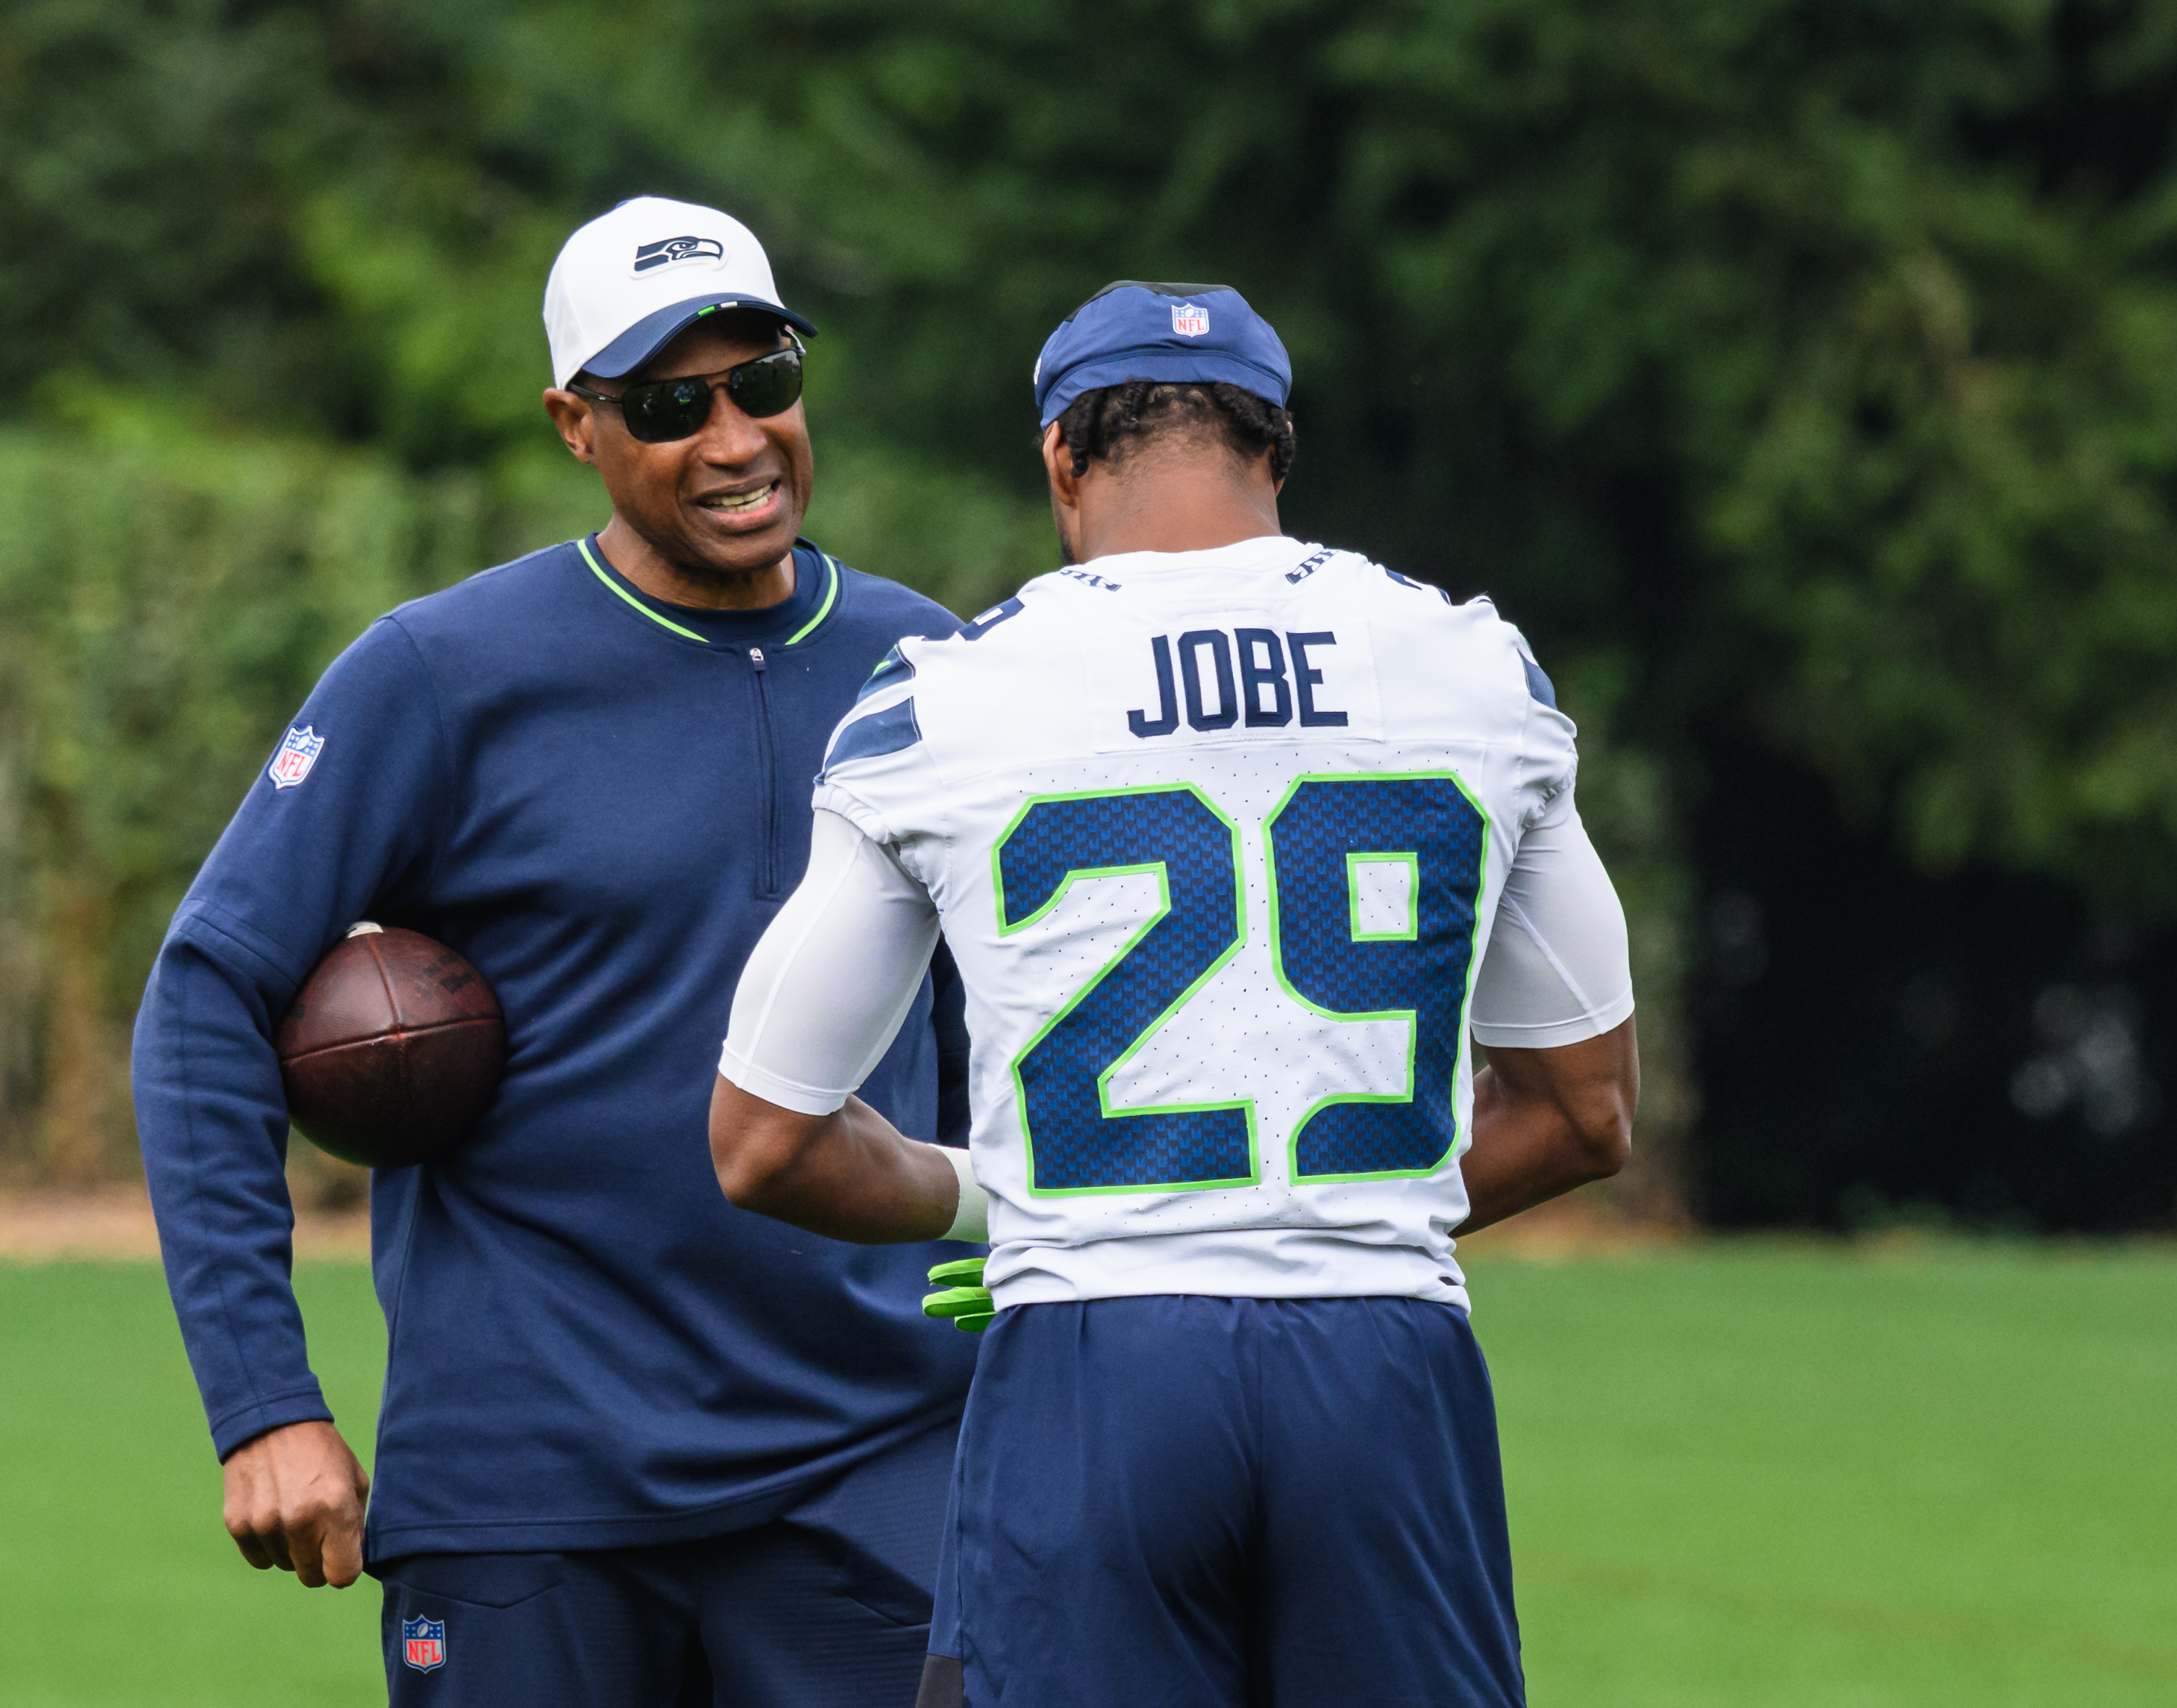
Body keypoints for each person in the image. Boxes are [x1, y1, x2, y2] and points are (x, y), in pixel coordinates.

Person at [706, 280, 1641, 1708]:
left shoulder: (946, 699)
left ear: (1062, 458)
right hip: (1385, 1363)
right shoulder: (1471, 666)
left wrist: (995, 1204)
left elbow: (762, 1137)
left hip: (1095, 1355)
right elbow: (1587, 1110)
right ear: (1278, 448)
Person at [132, 197, 984, 1707]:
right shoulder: (440, 676)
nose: (734, 438)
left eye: (763, 381)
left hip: (875, 1468)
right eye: (670, 402)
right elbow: (209, 994)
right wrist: (264, 1403)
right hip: (529, 1484)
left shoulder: (936, 671)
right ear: (574, 425)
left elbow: (1016, 1041)